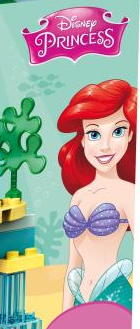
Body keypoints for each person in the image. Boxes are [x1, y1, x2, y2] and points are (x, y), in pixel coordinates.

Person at [59, 79, 136, 310]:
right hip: (80, 296)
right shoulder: (79, 197)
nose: (105, 146)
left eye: (117, 131)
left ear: (130, 135)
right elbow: (72, 266)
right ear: (83, 139)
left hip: (115, 297)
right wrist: (64, 316)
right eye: (94, 134)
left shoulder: (129, 193)